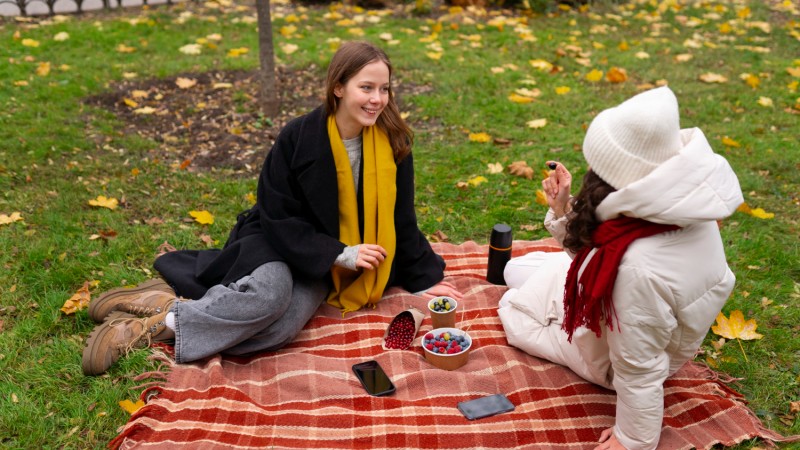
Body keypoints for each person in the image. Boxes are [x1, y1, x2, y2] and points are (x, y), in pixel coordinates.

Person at [82, 41, 463, 376]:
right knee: (268, 297)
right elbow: (276, 212)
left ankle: (163, 308)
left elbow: (400, 218)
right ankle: (143, 329)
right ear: (338, 87)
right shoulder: (299, 136)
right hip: (277, 238)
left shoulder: (393, 142)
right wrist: (341, 253)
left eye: (384, 89)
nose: (377, 99)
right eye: (366, 87)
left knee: (280, 330)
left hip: (322, 263)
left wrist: (424, 277)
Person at [497, 86, 743, 450]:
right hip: (639, 318)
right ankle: (541, 296)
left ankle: (537, 308)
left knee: (511, 306)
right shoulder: (677, 201)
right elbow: (597, 254)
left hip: (613, 356)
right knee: (515, 270)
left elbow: (638, 366)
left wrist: (632, 439)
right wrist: (563, 208)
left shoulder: (635, 268)